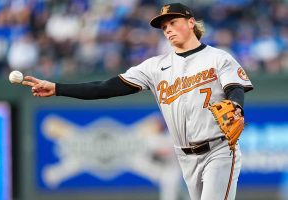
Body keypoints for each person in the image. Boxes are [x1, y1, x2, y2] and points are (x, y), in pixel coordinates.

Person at [22, 3, 253, 200]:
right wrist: (58, 88)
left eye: (173, 23)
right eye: (164, 27)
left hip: (218, 149)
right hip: (184, 157)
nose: (168, 30)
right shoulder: (154, 67)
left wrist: (236, 106)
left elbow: (234, 88)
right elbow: (106, 88)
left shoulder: (218, 57)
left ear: (191, 22)